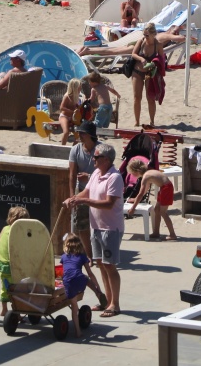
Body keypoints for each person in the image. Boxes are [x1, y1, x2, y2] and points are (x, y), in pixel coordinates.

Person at [63, 142, 123, 317]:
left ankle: (115, 304)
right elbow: (87, 192)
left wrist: (83, 201)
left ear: (105, 159)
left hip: (110, 228)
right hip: (96, 226)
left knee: (109, 265)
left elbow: (109, 203)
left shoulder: (115, 177)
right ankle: (107, 301)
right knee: (101, 265)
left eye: (96, 157)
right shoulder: (97, 172)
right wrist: (74, 198)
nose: (92, 159)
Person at [68, 121, 99, 260]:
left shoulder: (100, 150)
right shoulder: (75, 149)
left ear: (90, 135)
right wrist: (72, 196)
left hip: (99, 193)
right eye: (79, 132)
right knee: (82, 225)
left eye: (82, 133)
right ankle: (89, 255)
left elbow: (108, 174)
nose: (79, 135)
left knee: (99, 226)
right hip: (82, 192)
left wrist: (90, 177)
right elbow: (72, 174)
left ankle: (99, 254)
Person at [126, 158, 178, 240]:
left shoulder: (145, 176)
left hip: (166, 188)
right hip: (164, 188)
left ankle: (172, 234)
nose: (133, 175)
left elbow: (140, 194)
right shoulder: (148, 173)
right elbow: (144, 192)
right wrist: (134, 199)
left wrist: (133, 208)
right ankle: (156, 232)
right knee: (156, 210)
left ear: (137, 171)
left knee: (163, 212)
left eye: (133, 173)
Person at [60, 235, 100, 337]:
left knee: (74, 306)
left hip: (68, 282)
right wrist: (97, 285)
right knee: (86, 278)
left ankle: (78, 331)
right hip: (79, 280)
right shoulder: (82, 256)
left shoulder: (63, 257)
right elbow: (90, 273)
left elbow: (63, 272)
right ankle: (97, 292)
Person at [0, 206, 30, 316]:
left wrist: (0, 256)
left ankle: (4, 309)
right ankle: (18, 312)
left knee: (5, 287)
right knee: (18, 289)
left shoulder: (5, 229)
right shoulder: (19, 233)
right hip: (13, 267)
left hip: (2, 265)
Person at [129, 23, 163, 128]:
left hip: (150, 73)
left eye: (147, 35)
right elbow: (133, 54)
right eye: (144, 34)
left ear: (153, 34)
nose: (145, 37)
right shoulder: (141, 41)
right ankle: (136, 121)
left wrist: (155, 64)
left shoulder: (158, 45)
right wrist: (141, 59)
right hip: (137, 71)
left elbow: (162, 60)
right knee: (136, 97)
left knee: (150, 98)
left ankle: (152, 121)